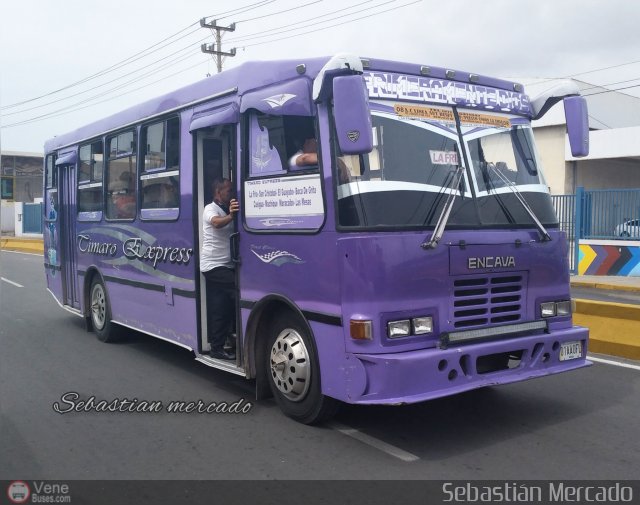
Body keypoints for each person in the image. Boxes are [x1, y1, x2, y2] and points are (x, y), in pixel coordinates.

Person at [200, 178, 239, 360]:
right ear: (218, 192)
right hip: (213, 265)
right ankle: (233, 338)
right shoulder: (210, 208)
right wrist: (231, 216)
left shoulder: (228, 207)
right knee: (238, 291)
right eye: (228, 190)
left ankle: (218, 347)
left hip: (227, 263)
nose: (231, 193)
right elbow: (216, 223)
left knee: (220, 308)